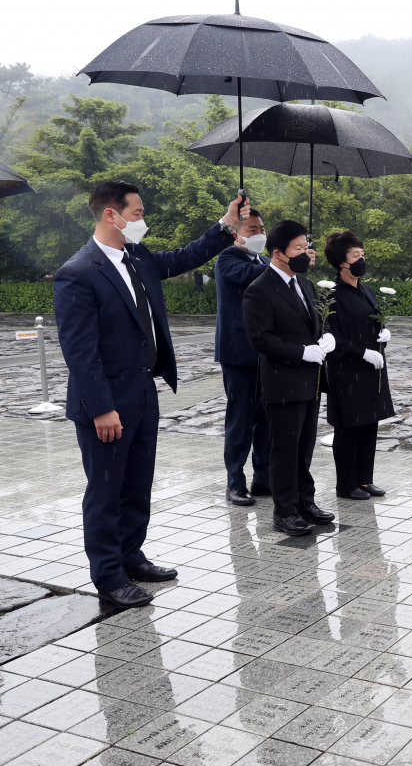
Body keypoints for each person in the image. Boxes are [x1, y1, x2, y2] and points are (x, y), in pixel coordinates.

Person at [54, 180, 242, 609]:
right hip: (106, 403)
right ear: (110, 215)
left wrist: (225, 224)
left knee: (137, 484)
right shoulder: (78, 272)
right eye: (137, 214)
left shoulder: (136, 257)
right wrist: (102, 409)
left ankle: (131, 555)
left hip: (143, 389)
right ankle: (108, 575)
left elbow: (183, 258)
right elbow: (80, 354)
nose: (143, 222)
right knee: (105, 491)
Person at [243, 221, 337, 536]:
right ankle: (284, 512)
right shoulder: (259, 289)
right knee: (284, 449)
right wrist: (300, 352)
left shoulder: (305, 285)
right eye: (298, 249)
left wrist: (325, 338)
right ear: (279, 253)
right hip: (282, 381)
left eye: (304, 247)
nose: (305, 253)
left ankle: (304, 501)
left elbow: (315, 324)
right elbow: (260, 338)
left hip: (309, 381)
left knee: (304, 446)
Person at [323, 231, 394, 499]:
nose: (361, 259)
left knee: (369, 423)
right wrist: (361, 352)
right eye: (356, 255)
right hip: (348, 368)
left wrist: (384, 335)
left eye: (362, 254)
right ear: (342, 261)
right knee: (349, 427)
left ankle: (365, 479)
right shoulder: (331, 294)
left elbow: (374, 323)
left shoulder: (366, 289)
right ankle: (346, 484)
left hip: (372, 369)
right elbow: (331, 335)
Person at [214, 208, 271, 506]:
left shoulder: (265, 261)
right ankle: (235, 482)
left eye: (261, 229)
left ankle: (264, 479)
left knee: (265, 419)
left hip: (266, 352)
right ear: (236, 233)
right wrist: (284, 264)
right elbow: (249, 277)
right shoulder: (228, 259)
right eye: (252, 229)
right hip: (238, 352)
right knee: (240, 419)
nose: (259, 234)